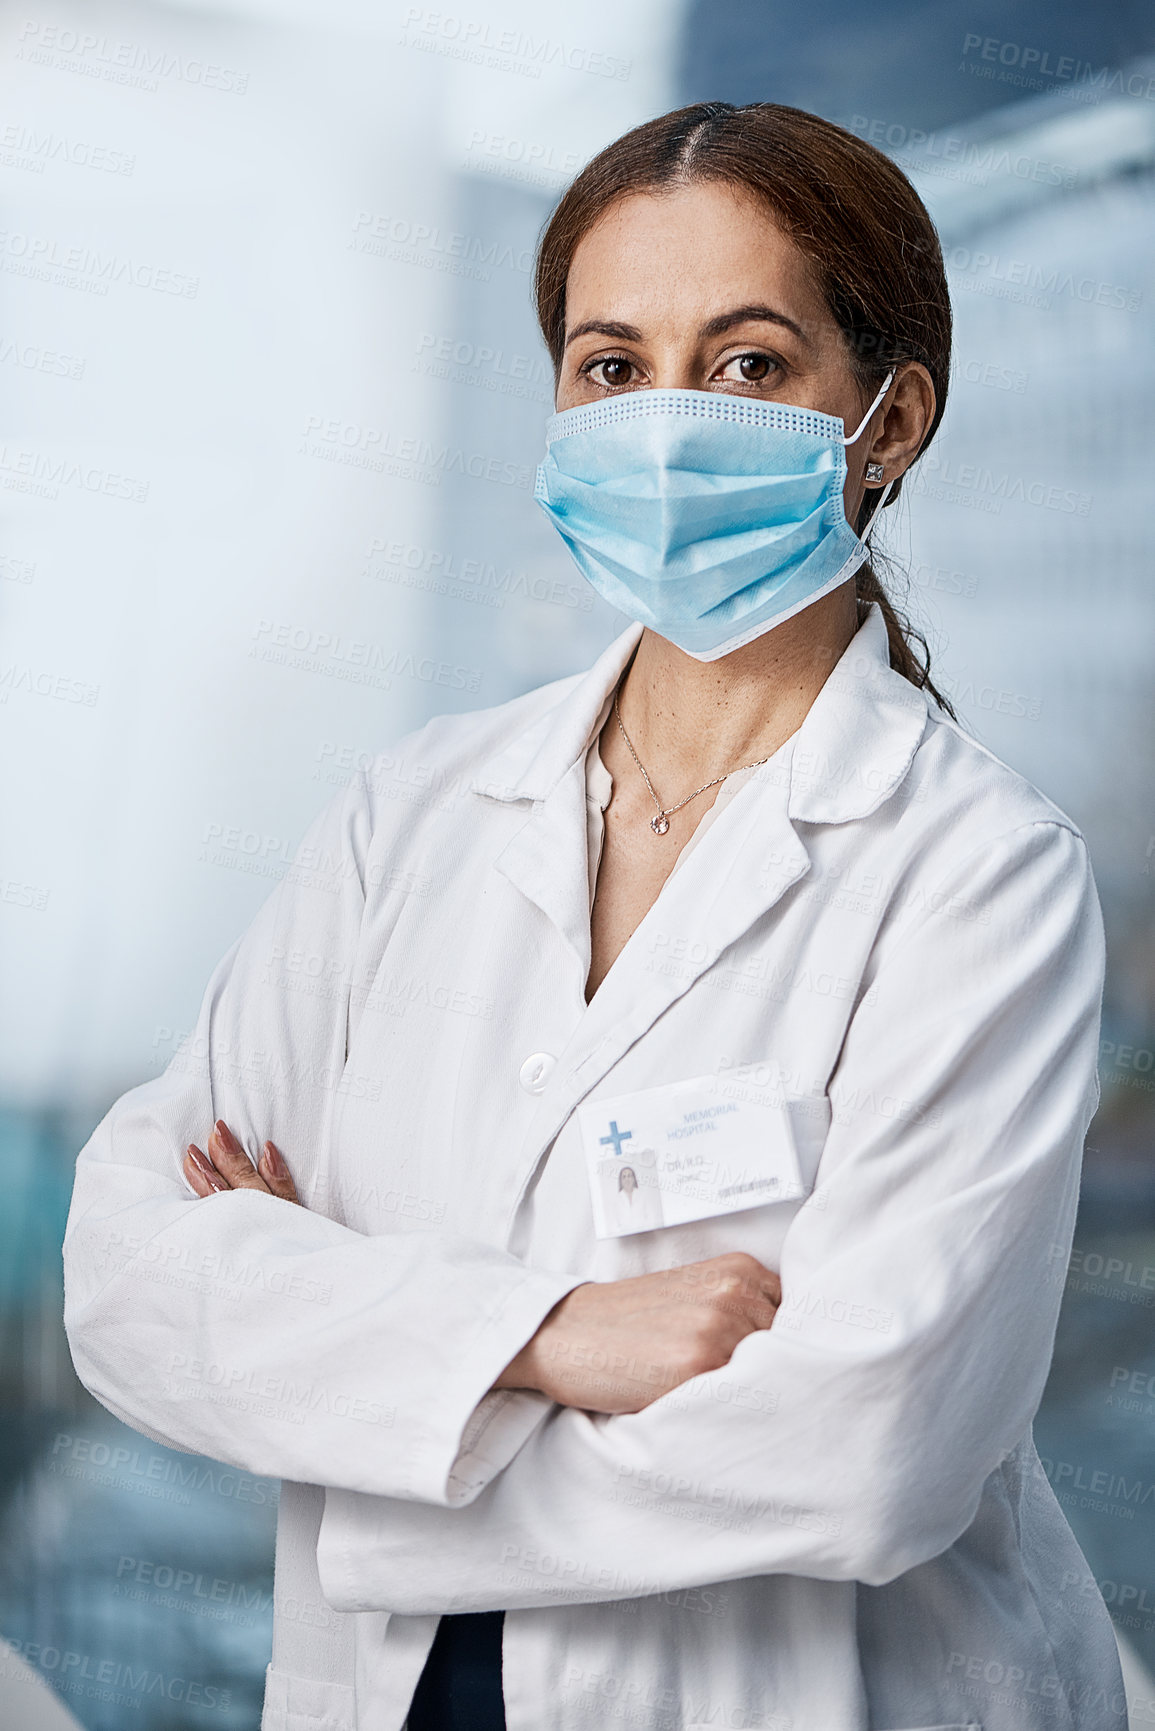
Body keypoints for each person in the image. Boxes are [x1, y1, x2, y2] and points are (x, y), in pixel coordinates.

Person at [62, 102, 1126, 1731]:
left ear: (891, 419)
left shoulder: (975, 871)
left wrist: (362, 1422)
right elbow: (131, 1281)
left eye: (751, 365)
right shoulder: (411, 814)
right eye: (612, 366)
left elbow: (868, 1453)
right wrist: (550, 1336)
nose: (665, 424)